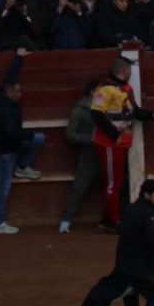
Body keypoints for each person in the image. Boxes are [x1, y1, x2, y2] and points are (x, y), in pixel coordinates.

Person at [90, 55, 154, 234]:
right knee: (113, 183)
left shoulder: (125, 88)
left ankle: (106, 221)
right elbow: (96, 114)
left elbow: (134, 111)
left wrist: (151, 115)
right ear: (124, 71)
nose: (130, 72)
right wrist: (115, 136)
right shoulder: (105, 89)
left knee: (116, 183)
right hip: (109, 143)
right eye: (129, 70)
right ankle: (113, 221)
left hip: (118, 142)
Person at [0, 51, 43, 236]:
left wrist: (19, 57)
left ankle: (22, 166)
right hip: (5, 150)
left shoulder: (0, 95)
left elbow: (10, 77)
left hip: (7, 145)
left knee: (39, 138)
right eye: (18, 91)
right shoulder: (4, 110)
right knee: (5, 185)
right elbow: (12, 132)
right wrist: (27, 134)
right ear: (10, 93)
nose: (21, 94)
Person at [58, 81, 101, 234]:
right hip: (90, 154)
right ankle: (66, 220)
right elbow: (70, 134)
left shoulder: (106, 107)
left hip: (107, 153)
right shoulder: (80, 111)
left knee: (118, 187)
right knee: (79, 188)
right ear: (92, 92)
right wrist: (91, 139)